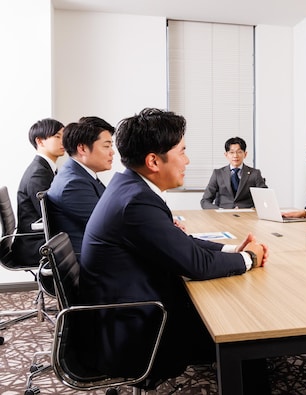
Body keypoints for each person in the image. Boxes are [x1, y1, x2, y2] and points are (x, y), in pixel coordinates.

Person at [80, 108, 269, 393]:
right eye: (182, 151)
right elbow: (195, 265)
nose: (187, 160)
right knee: (245, 328)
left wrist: (232, 249)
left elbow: (180, 243)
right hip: (140, 328)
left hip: (131, 310)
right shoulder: (136, 202)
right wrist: (250, 258)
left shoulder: (130, 188)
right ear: (154, 161)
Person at [47, 116, 115, 257]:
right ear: (82, 148)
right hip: (92, 260)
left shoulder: (81, 175)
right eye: (106, 146)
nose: (112, 152)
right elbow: (109, 227)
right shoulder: (73, 184)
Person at [14, 118, 65, 266]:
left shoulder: (46, 168)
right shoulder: (39, 174)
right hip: (34, 245)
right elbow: (50, 214)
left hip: (39, 239)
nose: (64, 141)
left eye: (64, 136)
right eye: (57, 136)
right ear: (40, 141)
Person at [200, 136, 268, 209]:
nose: (235, 156)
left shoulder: (255, 174)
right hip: (223, 215)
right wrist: (219, 210)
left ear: (245, 154)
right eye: (231, 152)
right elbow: (205, 201)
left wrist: (254, 209)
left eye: (239, 152)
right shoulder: (218, 174)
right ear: (226, 155)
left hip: (247, 214)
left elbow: (265, 198)